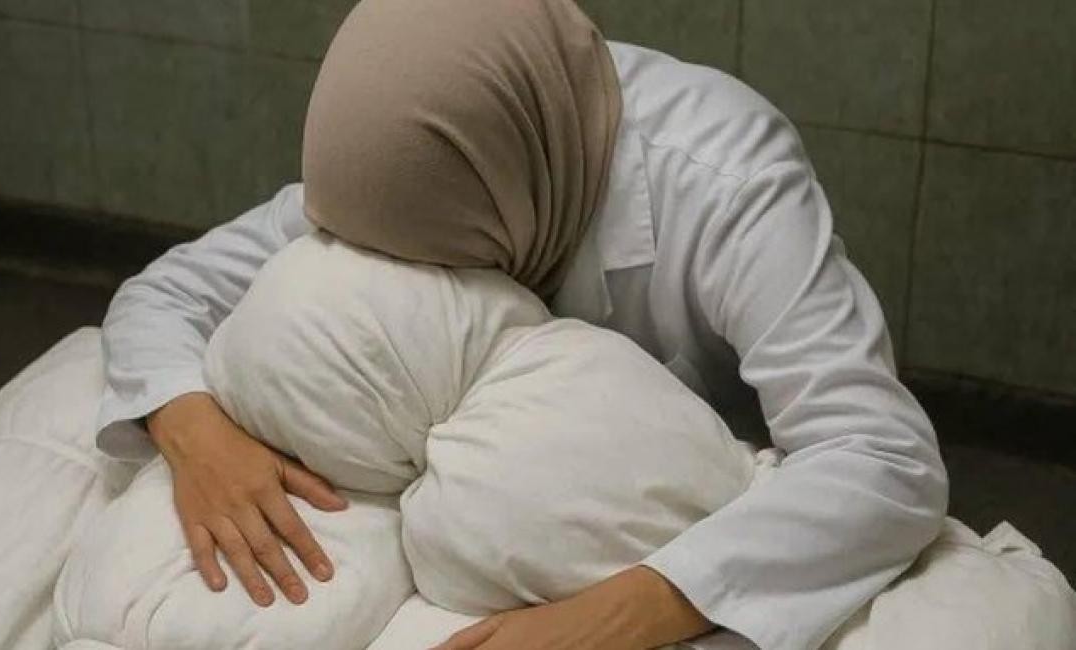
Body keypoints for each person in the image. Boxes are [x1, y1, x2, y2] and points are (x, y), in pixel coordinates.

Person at [97, 0, 948, 648]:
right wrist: (194, 430)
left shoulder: (727, 180)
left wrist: (622, 614)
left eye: (435, 268)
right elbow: (166, 292)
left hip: (694, 497)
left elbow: (880, 457)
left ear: (511, 194)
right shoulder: (397, 157)